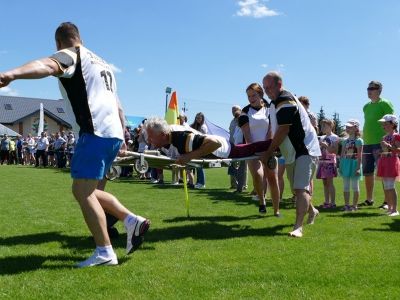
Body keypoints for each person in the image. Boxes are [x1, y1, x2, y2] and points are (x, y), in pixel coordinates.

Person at [0, 22, 150, 267]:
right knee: (91, 191)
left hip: (94, 132)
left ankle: (105, 251)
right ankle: (130, 222)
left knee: (82, 191)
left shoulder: (71, 55)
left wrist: (10, 74)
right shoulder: (103, 64)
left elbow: (47, 65)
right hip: (112, 134)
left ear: (59, 43)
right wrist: (122, 136)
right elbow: (119, 105)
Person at [262, 71, 321, 238]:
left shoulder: (285, 100)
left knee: (300, 188)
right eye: (265, 88)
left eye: (270, 87)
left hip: (305, 150)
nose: (267, 91)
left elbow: (283, 130)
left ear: (279, 85)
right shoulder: (275, 103)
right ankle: (313, 210)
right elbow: (275, 130)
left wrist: (268, 152)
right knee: (297, 190)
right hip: (292, 153)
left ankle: (298, 227)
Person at [144, 116, 272, 164]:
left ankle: (276, 144)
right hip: (214, 146)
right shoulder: (167, 139)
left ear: (162, 134)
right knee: (250, 148)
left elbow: (214, 144)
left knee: (250, 149)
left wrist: (190, 156)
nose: (149, 140)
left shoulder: (181, 137)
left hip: (222, 148)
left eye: (151, 136)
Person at [239, 83, 280, 215]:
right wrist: (254, 149)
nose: (251, 98)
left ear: (260, 94)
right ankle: (262, 202)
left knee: (272, 178)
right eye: (249, 96)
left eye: (254, 95)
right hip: (252, 150)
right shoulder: (245, 112)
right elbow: (247, 134)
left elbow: (271, 130)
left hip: (268, 149)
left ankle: (276, 210)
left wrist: (266, 150)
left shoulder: (270, 108)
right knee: (257, 176)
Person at [362, 81, 394, 207]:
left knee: (383, 172)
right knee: (368, 173)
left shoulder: (385, 103)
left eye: (372, 88)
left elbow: (392, 122)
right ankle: (369, 200)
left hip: (381, 144)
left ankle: (387, 202)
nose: (369, 90)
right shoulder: (366, 106)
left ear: (379, 90)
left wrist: (389, 141)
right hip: (367, 143)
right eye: (368, 88)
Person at [376, 115, 400, 216]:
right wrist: (380, 151)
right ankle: (390, 208)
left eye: (385, 124)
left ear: (392, 124)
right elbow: (385, 150)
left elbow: (398, 150)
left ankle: (395, 210)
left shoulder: (397, 136)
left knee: (391, 186)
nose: (383, 125)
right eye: (383, 124)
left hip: (392, 161)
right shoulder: (384, 137)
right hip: (384, 161)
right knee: (386, 186)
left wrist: (388, 146)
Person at [339, 119, 363, 211]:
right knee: (345, 186)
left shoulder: (359, 141)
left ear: (356, 128)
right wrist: (340, 166)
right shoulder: (345, 141)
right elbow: (342, 155)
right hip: (345, 164)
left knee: (355, 186)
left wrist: (358, 168)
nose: (347, 129)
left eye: (350, 127)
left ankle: (354, 205)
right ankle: (346, 205)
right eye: (346, 127)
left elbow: (360, 156)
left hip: (354, 164)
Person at [316, 119, 339, 209]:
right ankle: (326, 202)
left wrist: (326, 146)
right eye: (322, 126)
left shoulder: (335, 137)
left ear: (331, 126)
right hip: (322, 162)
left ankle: (333, 203)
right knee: (324, 183)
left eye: (325, 126)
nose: (323, 128)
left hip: (330, 162)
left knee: (330, 183)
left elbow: (335, 151)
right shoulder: (321, 137)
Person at [190, 112, 208, 188]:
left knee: (200, 166)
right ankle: (198, 182)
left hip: (201, 148)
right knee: (197, 165)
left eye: (199, 118)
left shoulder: (203, 127)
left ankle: (202, 183)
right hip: (195, 148)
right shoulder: (194, 126)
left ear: (202, 119)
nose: (198, 119)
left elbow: (202, 138)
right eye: (197, 118)